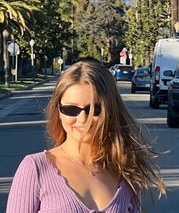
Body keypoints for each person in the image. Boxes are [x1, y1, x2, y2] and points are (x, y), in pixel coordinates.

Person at [6, 60, 165, 212]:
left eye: (94, 109)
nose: (83, 119)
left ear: (111, 110)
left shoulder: (125, 173)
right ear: (58, 111)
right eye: (71, 109)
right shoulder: (35, 169)